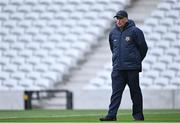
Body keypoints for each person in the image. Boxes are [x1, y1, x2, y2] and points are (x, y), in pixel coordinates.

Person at [99, 10, 148, 121]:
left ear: (126, 19)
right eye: (117, 18)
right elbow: (113, 49)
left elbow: (144, 48)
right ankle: (111, 115)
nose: (118, 20)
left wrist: (136, 61)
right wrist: (117, 61)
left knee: (135, 92)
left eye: (121, 18)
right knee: (115, 93)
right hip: (118, 68)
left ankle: (138, 115)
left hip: (132, 68)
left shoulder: (136, 31)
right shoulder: (113, 33)